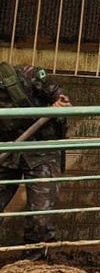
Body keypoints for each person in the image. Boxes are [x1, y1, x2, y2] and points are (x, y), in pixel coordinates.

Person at [0, 63, 71, 261]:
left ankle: (35, 265)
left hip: (41, 151)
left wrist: (58, 105)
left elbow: (63, 100)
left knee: (40, 216)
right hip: (7, 153)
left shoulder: (27, 76)